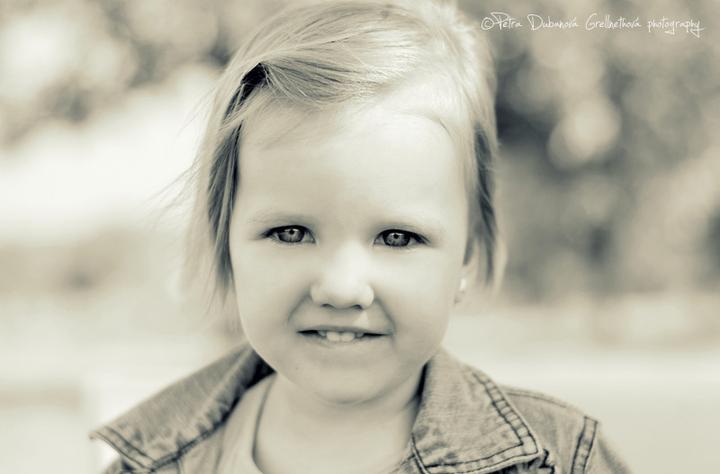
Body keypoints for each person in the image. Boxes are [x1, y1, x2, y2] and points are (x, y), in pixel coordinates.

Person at [91, 1, 631, 472]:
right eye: (291, 233)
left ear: (468, 256)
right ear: (225, 241)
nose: (342, 287)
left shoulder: (557, 461)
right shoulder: (155, 462)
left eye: (397, 238)